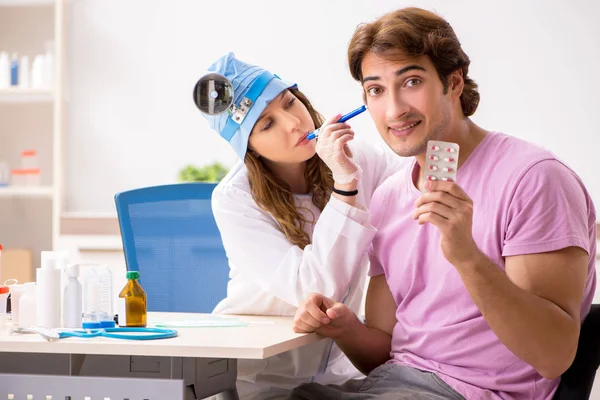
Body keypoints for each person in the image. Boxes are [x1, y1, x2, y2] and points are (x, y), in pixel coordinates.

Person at [291, 7, 596, 400]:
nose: (394, 109)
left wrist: (467, 257)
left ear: (453, 83)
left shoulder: (535, 179)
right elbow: (390, 354)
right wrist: (345, 327)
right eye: (376, 90)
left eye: (412, 81)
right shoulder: (387, 198)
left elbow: (552, 356)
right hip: (393, 386)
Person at [199, 52, 407, 399]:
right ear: (248, 148)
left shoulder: (356, 155)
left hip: (338, 377)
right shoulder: (234, 198)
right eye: (266, 125)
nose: (295, 123)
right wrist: (344, 184)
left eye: (290, 102)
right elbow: (316, 287)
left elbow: (414, 185)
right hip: (259, 381)